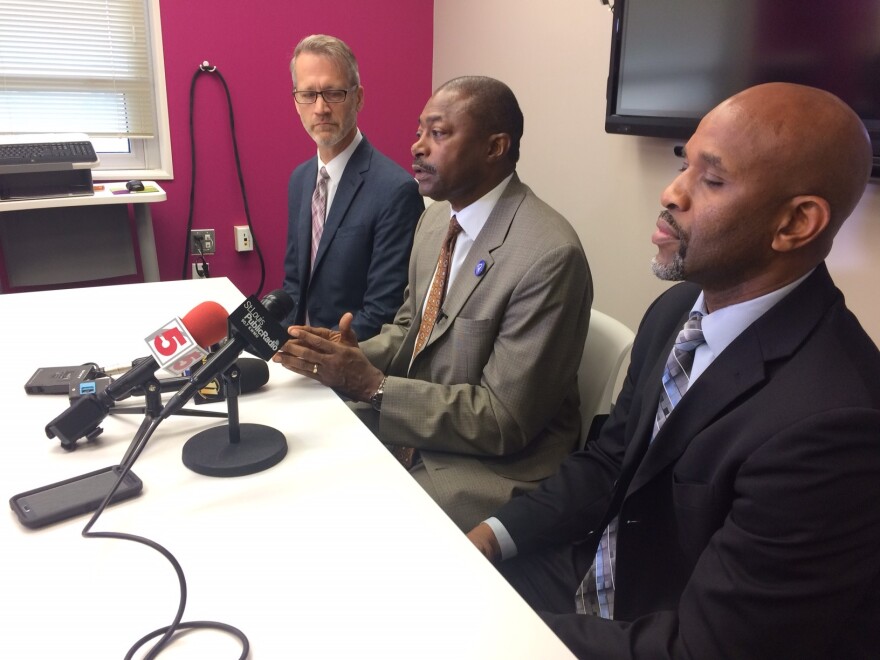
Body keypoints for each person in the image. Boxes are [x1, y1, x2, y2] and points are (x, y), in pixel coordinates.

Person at [466, 82, 880, 659]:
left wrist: (490, 628)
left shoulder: (833, 424)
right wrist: (491, 537)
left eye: (711, 180)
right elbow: (612, 461)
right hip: (594, 578)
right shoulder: (677, 310)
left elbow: (707, 648)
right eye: (684, 165)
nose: (671, 192)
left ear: (795, 223)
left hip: (665, 627)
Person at [275, 76, 593, 531]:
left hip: (492, 466)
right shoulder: (436, 221)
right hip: (425, 423)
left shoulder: (548, 256)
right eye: (419, 131)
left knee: (349, 520)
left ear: (495, 147)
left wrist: (372, 386)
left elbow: (503, 421)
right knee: (303, 447)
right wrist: (346, 356)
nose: (417, 147)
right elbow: (411, 328)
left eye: (438, 134)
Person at [282, 34, 424, 340]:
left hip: (349, 364)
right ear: (296, 102)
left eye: (334, 93)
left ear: (358, 97)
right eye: (308, 94)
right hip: (297, 360)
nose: (320, 108)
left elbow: (382, 312)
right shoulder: (300, 180)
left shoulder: (395, 191)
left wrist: (316, 356)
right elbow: (294, 286)